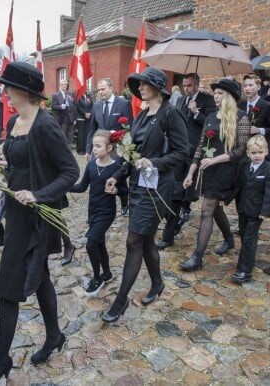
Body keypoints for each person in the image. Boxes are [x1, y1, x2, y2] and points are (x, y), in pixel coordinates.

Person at [0, 62, 79, 385]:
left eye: (8, 86)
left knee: (8, 287)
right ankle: (55, 336)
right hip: (17, 212)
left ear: (25, 92)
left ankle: (1, 360)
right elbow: (18, 167)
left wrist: (38, 195)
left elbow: (71, 172)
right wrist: (0, 190)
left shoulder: (45, 124)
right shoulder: (14, 120)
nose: (4, 91)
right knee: (41, 276)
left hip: (37, 217)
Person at [101, 67, 188, 322]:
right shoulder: (140, 116)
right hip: (139, 187)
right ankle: (158, 283)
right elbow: (132, 155)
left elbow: (182, 152)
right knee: (147, 239)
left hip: (158, 189)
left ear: (158, 87)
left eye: (144, 84)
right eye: (138, 84)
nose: (139, 87)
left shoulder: (171, 114)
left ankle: (120, 301)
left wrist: (155, 163)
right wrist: (116, 176)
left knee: (133, 241)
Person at [179, 78, 252, 272]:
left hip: (228, 171)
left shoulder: (242, 117)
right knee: (215, 209)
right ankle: (229, 240)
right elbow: (201, 147)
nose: (216, 97)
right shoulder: (211, 116)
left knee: (206, 210)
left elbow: (240, 150)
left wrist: (215, 160)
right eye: (215, 93)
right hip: (208, 169)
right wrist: (191, 173)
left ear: (229, 97)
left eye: (220, 94)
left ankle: (197, 256)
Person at [158, 73, 218, 250]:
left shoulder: (208, 101)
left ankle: (184, 210)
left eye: (190, 86)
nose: (187, 89)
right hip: (179, 151)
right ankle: (173, 223)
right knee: (175, 189)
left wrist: (196, 113)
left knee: (188, 187)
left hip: (196, 151)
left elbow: (211, 124)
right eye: (185, 86)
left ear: (198, 85)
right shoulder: (180, 101)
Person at [70, 129, 126, 297]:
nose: (94, 149)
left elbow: (124, 191)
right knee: (99, 243)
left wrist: (116, 190)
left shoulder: (116, 168)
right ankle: (107, 273)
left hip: (107, 213)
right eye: (93, 145)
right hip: (92, 212)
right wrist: (63, 186)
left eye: (99, 146)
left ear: (109, 148)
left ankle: (97, 278)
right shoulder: (91, 165)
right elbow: (81, 187)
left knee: (90, 244)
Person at [231, 135, 270, 282]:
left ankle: (244, 271)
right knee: (245, 237)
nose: (257, 156)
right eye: (253, 153)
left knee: (249, 239)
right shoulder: (244, 166)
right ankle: (248, 260)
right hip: (243, 208)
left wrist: (265, 211)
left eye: (260, 152)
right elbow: (238, 186)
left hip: (257, 212)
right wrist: (226, 199)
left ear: (266, 151)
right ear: (248, 153)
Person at [86, 78, 133, 215]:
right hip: (101, 149)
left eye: (103, 89)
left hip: (118, 148)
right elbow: (92, 128)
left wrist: (121, 136)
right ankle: (104, 202)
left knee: (117, 175)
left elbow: (130, 127)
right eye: (99, 90)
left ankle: (124, 201)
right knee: (102, 175)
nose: (100, 92)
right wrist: (89, 149)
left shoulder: (124, 104)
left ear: (111, 88)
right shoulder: (96, 106)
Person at [238, 74, 270, 162]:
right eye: (245, 86)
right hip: (242, 150)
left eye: (251, 85)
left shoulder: (267, 106)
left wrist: (260, 130)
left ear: (258, 87)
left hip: (258, 151)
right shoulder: (240, 105)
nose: (247, 88)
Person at [51, 79, 76, 147]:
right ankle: (62, 149)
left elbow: (74, 106)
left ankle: (69, 149)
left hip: (70, 118)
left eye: (65, 84)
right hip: (62, 118)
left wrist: (74, 119)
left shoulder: (71, 94)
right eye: (63, 84)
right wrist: (60, 106)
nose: (64, 86)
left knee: (70, 135)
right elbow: (53, 107)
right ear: (60, 85)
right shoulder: (56, 95)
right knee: (62, 135)